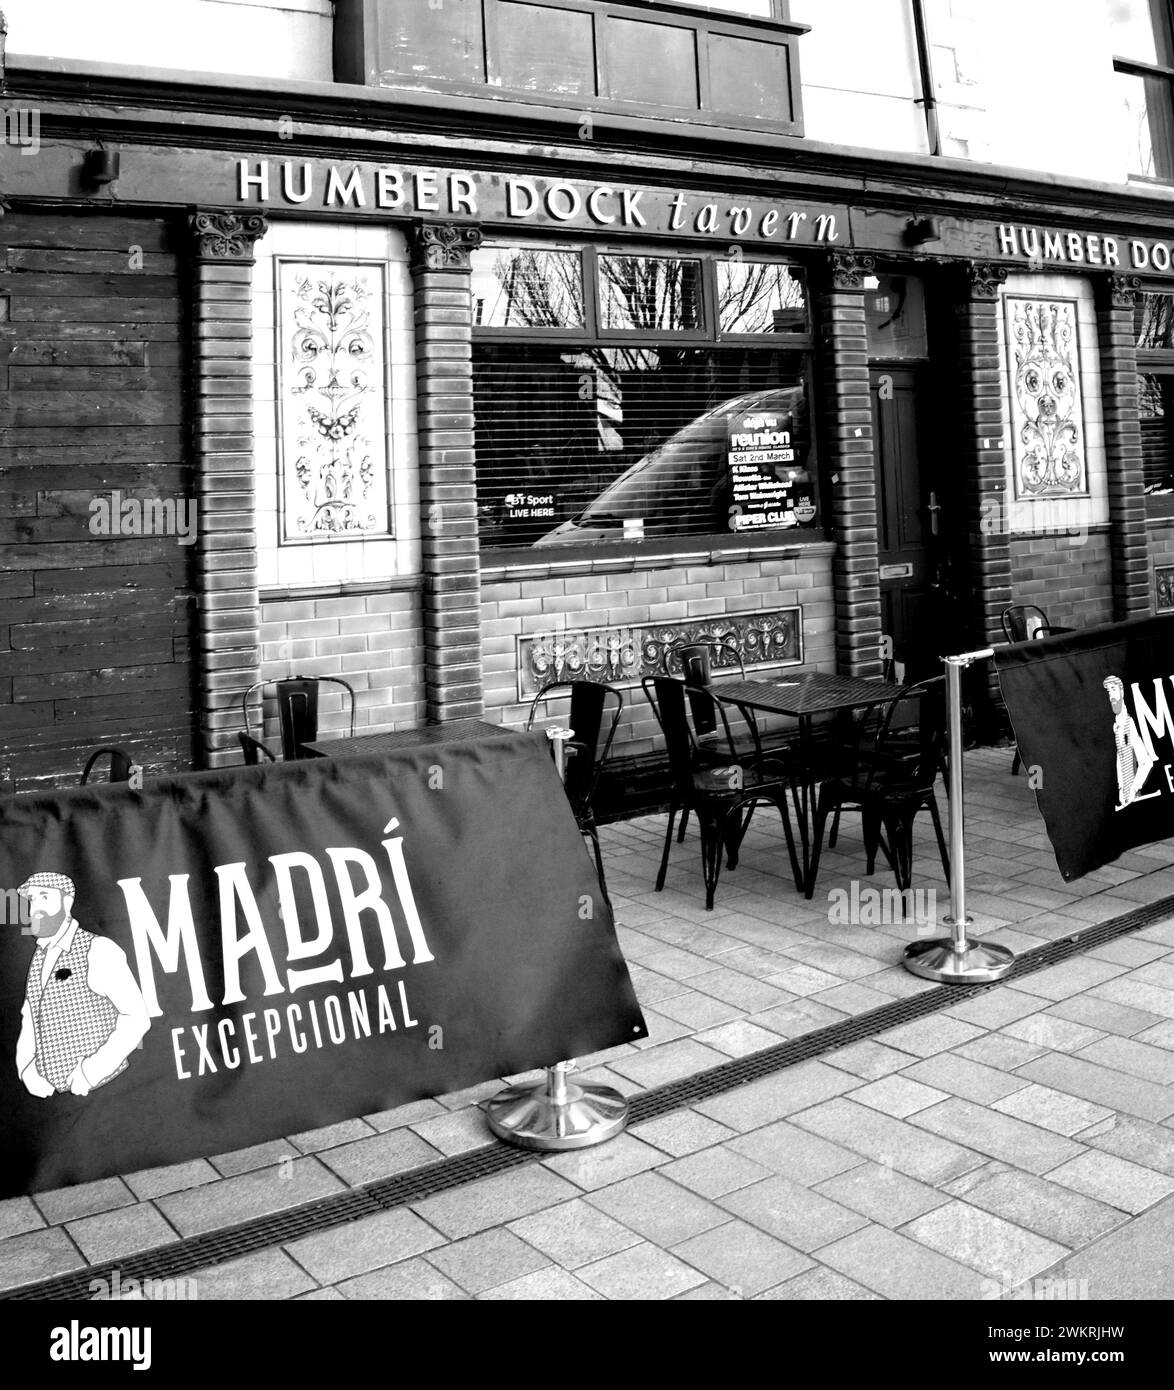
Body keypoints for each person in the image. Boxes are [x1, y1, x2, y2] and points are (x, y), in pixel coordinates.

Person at [14, 872, 151, 1099]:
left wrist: (89, 1073)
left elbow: (136, 1018)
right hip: (57, 1106)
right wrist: (27, 1070)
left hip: (112, 1093)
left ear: (67, 902)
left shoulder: (97, 949)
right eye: (33, 899)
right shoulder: (39, 956)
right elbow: (29, 1017)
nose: (36, 907)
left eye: (45, 897)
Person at [1103, 677, 1159, 812]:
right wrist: (1121, 789)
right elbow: (1120, 760)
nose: (1111, 695)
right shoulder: (1117, 725)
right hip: (1125, 801)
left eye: (1113, 689)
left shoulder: (1128, 723)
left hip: (1134, 799)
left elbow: (1146, 762)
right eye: (1108, 691)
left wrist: (1133, 788)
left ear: (1122, 691)